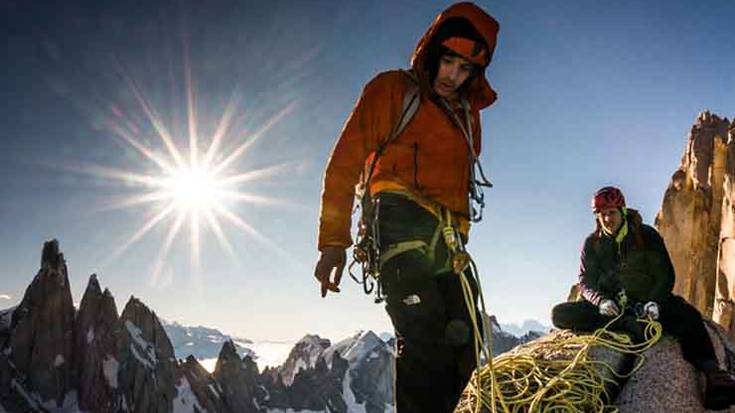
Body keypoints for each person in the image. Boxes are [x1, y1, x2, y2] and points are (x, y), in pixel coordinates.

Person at [313, 3, 499, 412]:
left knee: (468, 344)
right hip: (399, 232)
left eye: (466, 68)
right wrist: (333, 242)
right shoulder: (393, 91)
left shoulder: (465, 116)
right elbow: (344, 165)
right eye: (448, 61)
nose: (453, 75)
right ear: (433, 53)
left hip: (447, 244)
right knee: (425, 343)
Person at [552, 186, 735, 410]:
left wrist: (655, 302)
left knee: (687, 316)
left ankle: (714, 374)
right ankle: (627, 324)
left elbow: (665, 274)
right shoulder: (593, 243)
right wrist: (601, 302)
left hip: (645, 305)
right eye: (603, 214)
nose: (608, 219)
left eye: (612, 212)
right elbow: (585, 281)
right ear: (597, 217)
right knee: (560, 314)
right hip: (613, 309)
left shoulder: (645, 235)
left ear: (622, 211)